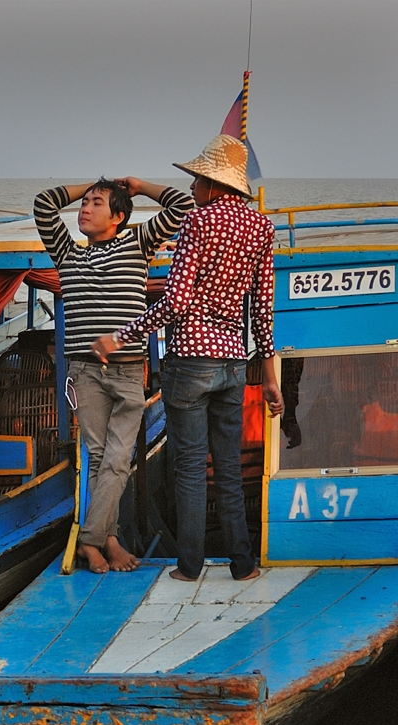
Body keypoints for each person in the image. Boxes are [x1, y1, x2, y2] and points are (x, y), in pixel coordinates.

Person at [93, 134, 284, 583]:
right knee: (229, 469)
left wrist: (120, 336)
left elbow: (176, 301)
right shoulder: (262, 228)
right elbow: (263, 310)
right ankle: (243, 565)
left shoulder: (198, 223)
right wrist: (270, 376)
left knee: (191, 469)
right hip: (234, 363)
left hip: (191, 361)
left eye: (197, 179)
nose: (193, 187)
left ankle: (190, 566)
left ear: (213, 184)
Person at [35, 177, 194, 574]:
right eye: (84, 203)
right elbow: (43, 204)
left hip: (126, 372)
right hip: (85, 372)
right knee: (100, 458)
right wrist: (89, 184)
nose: (85, 209)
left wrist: (139, 186)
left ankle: (90, 540)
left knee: (118, 459)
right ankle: (107, 540)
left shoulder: (137, 243)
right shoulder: (67, 252)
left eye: (97, 203)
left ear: (119, 217)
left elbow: (181, 205)